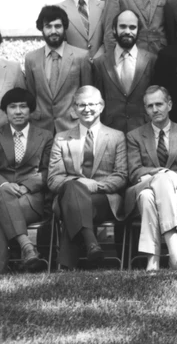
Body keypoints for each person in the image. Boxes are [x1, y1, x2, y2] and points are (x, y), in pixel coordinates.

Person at [47, 86, 128, 269]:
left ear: (101, 106)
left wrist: (95, 186)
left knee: (74, 202)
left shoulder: (116, 136)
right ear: (74, 109)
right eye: (81, 105)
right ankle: (91, 243)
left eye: (92, 104)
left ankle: (67, 265)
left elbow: (121, 175)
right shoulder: (61, 138)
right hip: (69, 196)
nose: (87, 109)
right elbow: (53, 179)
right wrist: (79, 183)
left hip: (103, 199)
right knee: (73, 189)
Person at [124, 86, 177, 272]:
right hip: (142, 188)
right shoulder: (135, 136)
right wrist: (162, 174)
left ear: (169, 105)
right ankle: (175, 252)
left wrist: (170, 178)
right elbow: (134, 172)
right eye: (150, 106)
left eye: (159, 104)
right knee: (156, 184)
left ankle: (153, 261)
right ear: (145, 109)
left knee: (148, 197)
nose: (155, 109)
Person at [0, 88, 52, 273]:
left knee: (2, 212)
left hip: (31, 198)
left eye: (23, 106)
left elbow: (48, 171)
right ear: (6, 110)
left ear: (31, 110)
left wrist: (27, 186)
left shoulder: (45, 136)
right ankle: (28, 247)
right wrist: (4, 184)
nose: (18, 111)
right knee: (3, 196)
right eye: (13, 107)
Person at [24, 5, 92, 134]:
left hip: (73, 125)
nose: (53, 31)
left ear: (64, 27)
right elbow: (31, 95)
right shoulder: (31, 59)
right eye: (48, 26)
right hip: (41, 127)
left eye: (58, 26)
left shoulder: (81, 57)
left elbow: (87, 95)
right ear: (41, 28)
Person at [92, 10, 157, 133]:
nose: (127, 31)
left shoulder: (151, 60)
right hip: (110, 132)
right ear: (114, 29)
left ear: (138, 30)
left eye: (132, 27)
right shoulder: (99, 63)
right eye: (122, 26)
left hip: (144, 132)